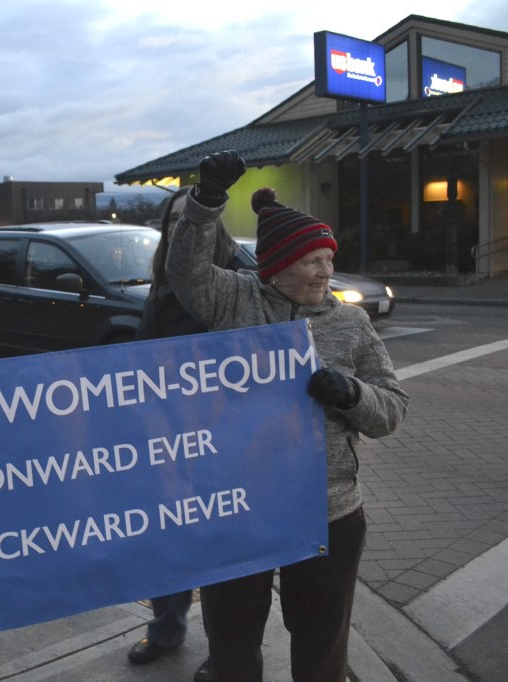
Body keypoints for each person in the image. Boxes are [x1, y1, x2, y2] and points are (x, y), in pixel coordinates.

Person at [168, 151, 409, 682]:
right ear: (277, 266)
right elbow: (184, 272)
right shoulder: (234, 300)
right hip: (239, 506)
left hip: (328, 512)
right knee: (232, 639)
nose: (326, 271)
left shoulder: (351, 324)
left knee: (322, 643)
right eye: (312, 261)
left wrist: (351, 395)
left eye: (328, 259)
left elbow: (391, 411)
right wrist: (206, 202)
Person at [127, 185, 242, 681]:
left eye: (191, 218)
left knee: (222, 550)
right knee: (168, 539)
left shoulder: (238, 283)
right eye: (173, 220)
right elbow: (138, 367)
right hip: (172, 439)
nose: (181, 227)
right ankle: (165, 630)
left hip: (225, 439)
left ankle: (227, 650)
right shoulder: (160, 291)